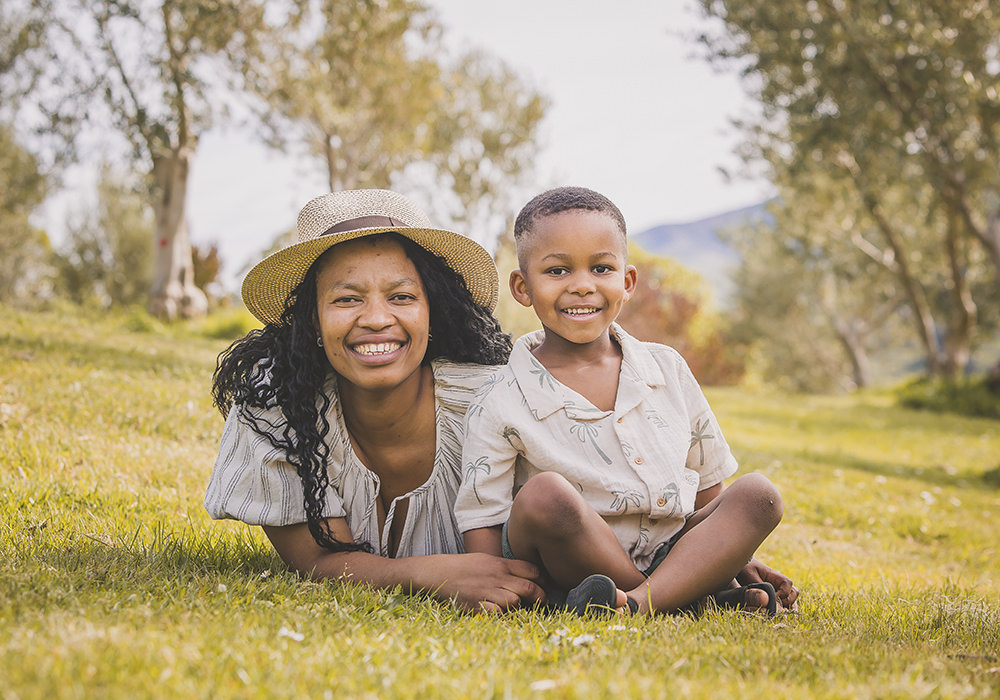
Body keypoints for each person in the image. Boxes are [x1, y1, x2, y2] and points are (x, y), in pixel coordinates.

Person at [454, 186, 799, 615]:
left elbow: (709, 489)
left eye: (601, 268)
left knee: (759, 494)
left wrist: (733, 557)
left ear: (627, 281)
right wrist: (491, 586)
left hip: (671, 547)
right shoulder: (500, 399)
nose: (582, 286)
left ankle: (639, 601)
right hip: (569, 563)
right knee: (546, 496)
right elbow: (483, 518)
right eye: (558, 271)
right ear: (523, 288)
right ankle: (683, 598)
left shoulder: (666, 369)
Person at [205, 189, 545, 612]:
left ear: (431, 311)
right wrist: (428, 576)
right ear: (313, 317)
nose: (377, 319)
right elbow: (313, 559)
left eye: (401, 297)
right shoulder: (276, 405)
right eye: (347, 299)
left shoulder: (497, 401)